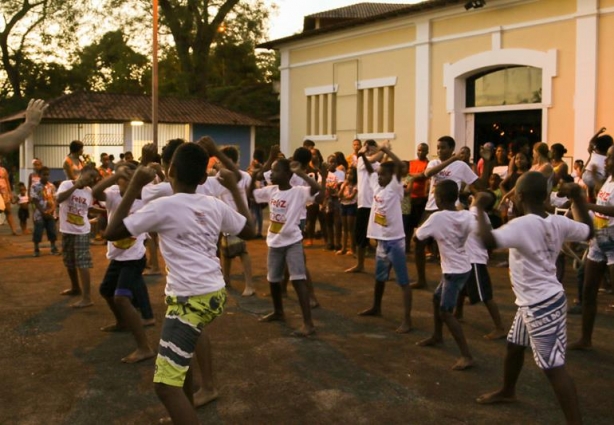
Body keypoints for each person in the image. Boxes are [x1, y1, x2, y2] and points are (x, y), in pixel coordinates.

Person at [105, 142, 254, 424]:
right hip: (211, 293)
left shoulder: (163, 206)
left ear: (169, 170)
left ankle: (183, 410)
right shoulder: (214, 204)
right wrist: (234, 188)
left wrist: (135, 183)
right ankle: (183, 411)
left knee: (164, 385)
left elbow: (112, 232)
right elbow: (250, 230)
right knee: (180, 364)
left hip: (190, 300)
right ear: (202, 179)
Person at [474, 172, 592, 425]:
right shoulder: (556, 223)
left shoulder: (522, 224)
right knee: (514, 345)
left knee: (553, 367)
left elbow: (487, 241)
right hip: (535, 301)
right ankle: (508, 390)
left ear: (520, 196)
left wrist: (478, 207)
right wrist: (577, 199)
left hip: (540, 306)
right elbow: (587, 230)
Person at [91, 163, 155, 363]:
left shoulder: (145, 199)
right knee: (105, 291)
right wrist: (114, 175)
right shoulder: (112, 195)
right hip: (117, 255)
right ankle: (122, 322)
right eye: (123, 178)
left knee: (121, 298)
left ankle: (144, 347)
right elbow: (95, 191)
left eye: (131, 178)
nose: (126, 181)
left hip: (134, 257)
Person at [251, 157, 321, 336]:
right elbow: (251, 193)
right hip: (275, 242)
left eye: (276, 171)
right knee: (273, 279)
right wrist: (254, 177)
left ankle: (308, 323)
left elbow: (317, 189)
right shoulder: (271, 190)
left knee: (298, 280)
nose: (271, 174)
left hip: (292, 242)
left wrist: (300, 172)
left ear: (287, 174)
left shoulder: (298, 192)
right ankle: (278, 312)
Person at [415, 180, 475, 371]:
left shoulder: (437, 218)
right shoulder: (465, 215)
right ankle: (437, 336)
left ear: (439, 199)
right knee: (436, 299)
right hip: (463, 266)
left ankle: (466, 355)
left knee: (445, 312)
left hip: (453, 272)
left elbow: (419, 236)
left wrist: (418, 230)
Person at [357, 144, 413, 334]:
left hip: (395, 241)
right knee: (379, 278)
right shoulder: (377, 187)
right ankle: (376, 307)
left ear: (391, 177)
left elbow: (399, 165)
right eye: (379, 174)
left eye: (383, 174)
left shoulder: (395, 187)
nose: (379, 176)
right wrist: (363, 155)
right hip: (382, 241)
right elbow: (368, 167)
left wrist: (386, 150)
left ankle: (407, 320)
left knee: (403, 281)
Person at [412, 136, 479, 289]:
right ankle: (421, 279)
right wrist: (452, 159)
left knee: (459, 245)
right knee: (418, 242)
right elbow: (428, 174)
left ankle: (465, 282)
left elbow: (474, 182)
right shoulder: (434, 162)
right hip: (431, 207)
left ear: (451, 149)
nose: (439, 150)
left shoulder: (461, 166)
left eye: (443, 148)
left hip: (451, 208)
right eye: (438, 148)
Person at [569, 143, 614, 350]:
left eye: (610, 158)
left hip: (612, 241)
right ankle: (585, 339)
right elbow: (603, 194)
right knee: (588, 291)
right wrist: (596, 178)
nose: (606, 161)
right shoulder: (609, 180)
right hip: (599, 239)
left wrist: (588, 206)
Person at [454, 191, 506, 339]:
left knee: (485, 294)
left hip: (474, 259)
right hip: (472, 257)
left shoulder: (471, 214)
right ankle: (458, 312)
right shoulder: (483, 216)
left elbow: (456, 209)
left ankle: (500, 327)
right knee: (461, 287)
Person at [56, 165, 99, 308]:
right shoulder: (66, 184)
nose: (92, 180)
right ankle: (75, 287)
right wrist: (76, 187)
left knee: (82, 263)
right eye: (90, 176)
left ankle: (87, 298)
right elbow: (59, 199)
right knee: (69, 260)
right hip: (67, 229)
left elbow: (89, 209)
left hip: (82, 231)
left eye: (94, 178)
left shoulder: (89, 192)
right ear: (82, 173)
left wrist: (104, 211)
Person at [30, 166, 59, 257]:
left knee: (52, 230)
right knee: (38, 231)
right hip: (40, 213)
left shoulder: (51, 186)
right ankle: (36, 248)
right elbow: (35, 200)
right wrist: (42, 211)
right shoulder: (35, 186)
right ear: (39, 175)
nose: (46, 176)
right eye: (44, 174)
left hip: (50, 213)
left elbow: (55, 199)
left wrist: (51, 210)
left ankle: (53, 247)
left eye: (47, 174)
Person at [406, 143, 430, 252]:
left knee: (421, 224)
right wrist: (415, 175)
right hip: (410, 197)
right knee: (408, 225)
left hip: (421, 198)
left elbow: (423, 176)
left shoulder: (428, 164)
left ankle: (421, 248)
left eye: (423, 150)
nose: (420, 152)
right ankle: (406, 246)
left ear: (427, 152)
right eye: (419, 150)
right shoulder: (411, 162)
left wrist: (411, 175)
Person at [324, 153, 344, 252]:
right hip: (327, 199)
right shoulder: (323, 173)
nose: (332, 164)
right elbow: (321, 184)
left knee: (338, 222)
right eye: (330, 162)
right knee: (328, 221)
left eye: (334, 162)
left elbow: (340, 185)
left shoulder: (340, 173)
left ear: (337, 163)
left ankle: (338, 242)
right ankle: (330, 242)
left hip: (336, 199)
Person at [338, 166, 357, 256]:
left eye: (351, 174)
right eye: (347, 173)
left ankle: (352, 249)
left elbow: (351, 197)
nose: (349, 175)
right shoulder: (344, 184)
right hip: (343, 206)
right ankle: (343, 248)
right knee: (344, 228)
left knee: (351, 229)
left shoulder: (356, 185)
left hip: (351, 206)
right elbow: (339, 194)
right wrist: (344, 186)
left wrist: (342, 197)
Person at [0, 161, 18, 235]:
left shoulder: (3, 170)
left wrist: (10, 194)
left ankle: (14, 230)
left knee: (8, 212)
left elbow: (7, 182)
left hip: (5, 193)